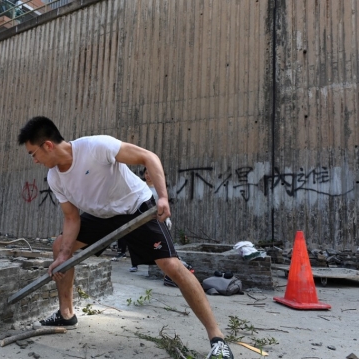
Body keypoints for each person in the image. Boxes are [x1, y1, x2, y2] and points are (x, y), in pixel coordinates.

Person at [17, 116, 234, 359]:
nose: (34, 160)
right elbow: (71, 218)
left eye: (33, 154)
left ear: (47, 145)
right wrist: (65, 256)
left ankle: (218, 339)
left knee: (171, 265)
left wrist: (162, 197)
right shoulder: (55, 177)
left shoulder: (96, 146)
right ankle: (66, 314)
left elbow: (148, 157)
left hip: (136, 207)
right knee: (59, 247)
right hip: (102, 215)